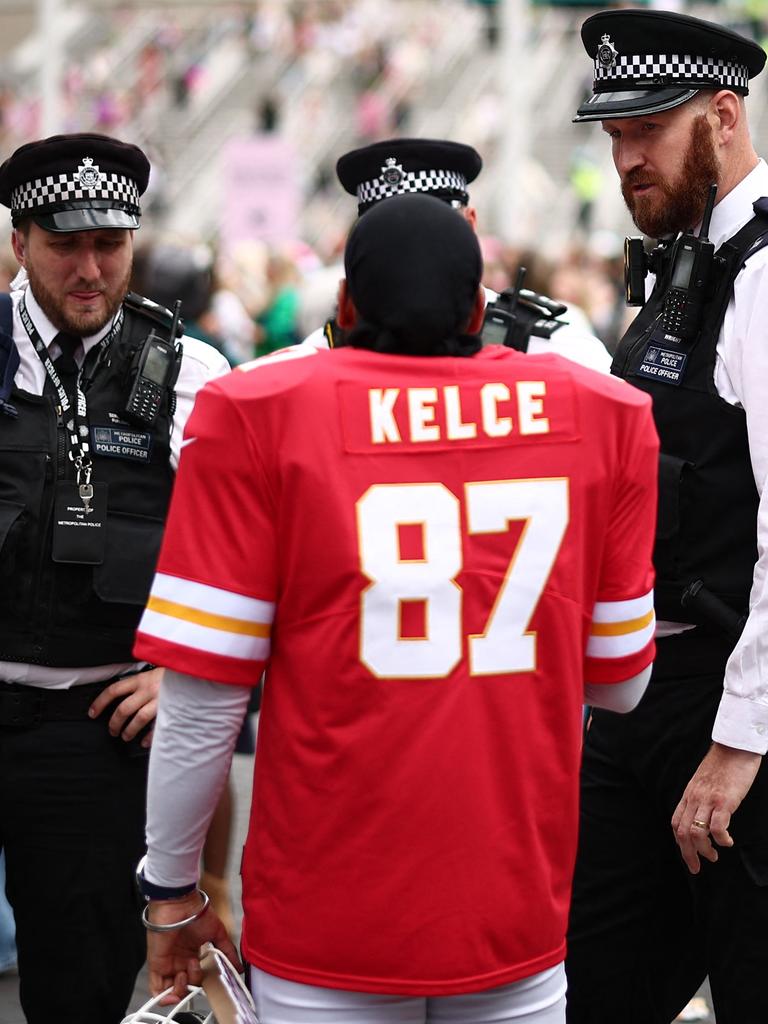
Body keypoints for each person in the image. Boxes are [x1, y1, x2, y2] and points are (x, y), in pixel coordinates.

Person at [132, 192, 659, 1024]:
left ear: (344, 308)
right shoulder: (603, 412)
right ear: (481, 309)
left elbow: (201, 703)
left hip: (328, 917)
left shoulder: (257, 411)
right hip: (508, 905)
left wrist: (171, 888)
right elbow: (622, 685)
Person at [566, 10, 768, 1023]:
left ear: (723, 118)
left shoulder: (767, 275)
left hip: (732, 698)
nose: (626, 157)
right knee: (593, 985)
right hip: (640, 694)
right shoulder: (684, 262)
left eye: (648, 128)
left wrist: (740, 740)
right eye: (614, 136)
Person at [0, 132, 229, 1022]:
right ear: (20, 242)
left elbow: (243, 558)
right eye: (65, 244)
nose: (91, 269)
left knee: (80, 989)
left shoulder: (190, 374)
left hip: (92, 737)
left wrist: (187, 669)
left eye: (111, 243)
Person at [301, 137, 612, 373]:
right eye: (388, 233)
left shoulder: (553, 346)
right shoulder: (318, 350)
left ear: (471, 224)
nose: (410, 250)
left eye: (431, 230)